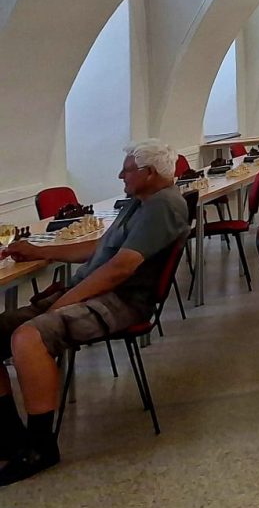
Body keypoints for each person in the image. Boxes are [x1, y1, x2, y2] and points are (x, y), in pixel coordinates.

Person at [0, 141, 189, 485]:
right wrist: (42, 251)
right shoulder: (141, 202)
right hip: (95, 293)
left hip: (121, 301)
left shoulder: (163, 206)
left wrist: (61, 304)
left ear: (148, 173)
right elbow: (100, 248)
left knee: (28, 337)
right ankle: (9, 436)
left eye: (126, 170)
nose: (120, 175)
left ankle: (41, 447)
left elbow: (120, 269)